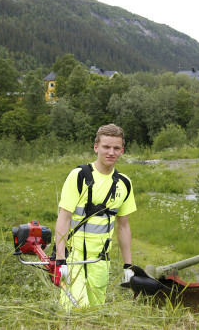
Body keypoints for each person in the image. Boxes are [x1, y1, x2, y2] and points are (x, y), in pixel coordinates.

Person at [52, 124, 136, 308]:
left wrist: (128, 265)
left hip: (100, 259)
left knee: (96, 311)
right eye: (106, 147)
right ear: (96, 147)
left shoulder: (124, 184)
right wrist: (60, 260)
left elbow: (123, 226)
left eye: (116, 148)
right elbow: (64, 218)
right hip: (74, 257)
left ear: (122, 150)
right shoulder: (79, 176)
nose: (111, 152)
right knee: (76, 309)